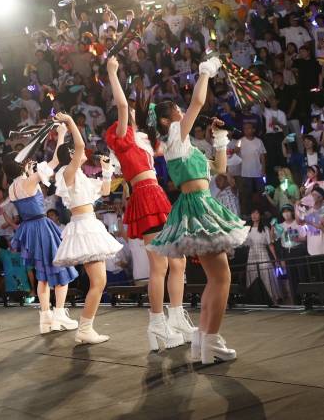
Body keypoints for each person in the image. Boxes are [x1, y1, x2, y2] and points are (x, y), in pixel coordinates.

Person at [148, 56, 249, 364]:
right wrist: (206, 71)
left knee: (216, 278)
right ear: (166, 121)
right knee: (221, 278)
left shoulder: (187, 147)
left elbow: (219, 168)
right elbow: (198, 101)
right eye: (178, 112)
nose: (183, 113)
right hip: (197, 207)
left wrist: (220, 137)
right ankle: (210, 341)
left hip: (201, 204)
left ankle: (204, 341)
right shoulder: (174, 138)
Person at [104, 55, 191, 352]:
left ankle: (176, 318)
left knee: (178, 261)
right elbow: (122, 106)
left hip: (157, 194)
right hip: (144, 195)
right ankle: (156, 324)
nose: (130, 111)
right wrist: (113, 72)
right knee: (160, 264)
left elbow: (169, 135)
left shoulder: (143, 139)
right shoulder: (122, 137)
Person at [50, 112, 123, 345]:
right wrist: (70, 121)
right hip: (84, 227)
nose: (82, 152)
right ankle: (85, 329)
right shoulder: (68, 173)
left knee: (99, 282)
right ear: (72, 155)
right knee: (98, 282)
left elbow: (105, 191)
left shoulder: (79, 175)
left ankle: (85, 328)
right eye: (76, 151)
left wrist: (106, 170)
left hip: (89, 225)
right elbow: (80, 145)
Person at [5, 145, 80, 336]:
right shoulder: (29, 181)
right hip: (41, 227)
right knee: (61, 269)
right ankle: (59, 315)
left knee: (43, 276)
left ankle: (46, 318)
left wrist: (30, 171)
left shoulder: (12, 188)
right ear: (20, 164)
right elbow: (55, 161)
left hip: (28, 229)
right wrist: (60, 135)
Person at [244, 209, 281, 304]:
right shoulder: (247, 229)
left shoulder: (265, 228)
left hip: (263, 253)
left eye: (256, 213)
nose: (254, 215)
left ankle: (271, 299)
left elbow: (270, 244)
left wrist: (276, 259)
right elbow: (244, 243)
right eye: (252, 213)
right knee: (253, 275)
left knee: (266, 275)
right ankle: (256, 300)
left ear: (260, 215)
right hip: (252, 254)